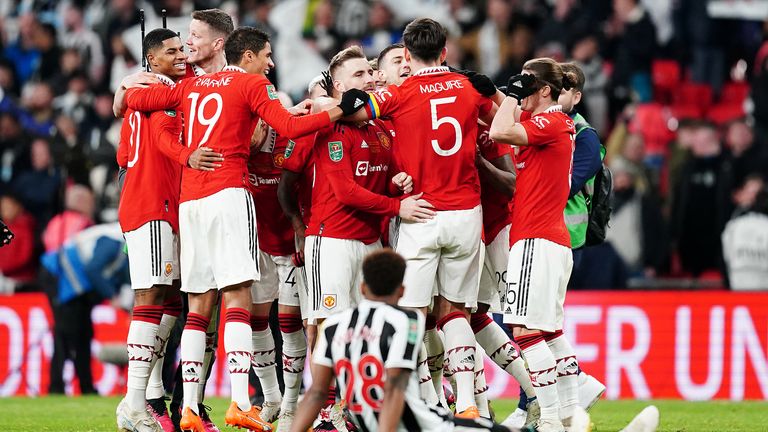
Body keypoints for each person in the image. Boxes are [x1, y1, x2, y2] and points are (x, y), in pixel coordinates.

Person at [123, 26, 368, 432]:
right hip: (228, 194)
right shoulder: (249, 84)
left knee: (199, 305)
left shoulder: (189, 87)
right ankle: (239, 401)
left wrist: (129, 85)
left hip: (190, 203)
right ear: (249, 55)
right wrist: (339, 111)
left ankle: (187, 408)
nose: (270, 63)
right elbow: (287, 131)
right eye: (267, 55)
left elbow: (138, 99)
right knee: (237, 294)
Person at [348, 18, 496, 417]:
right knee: (455, 312)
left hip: (420, 213)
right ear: (445, 52)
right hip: (466, 212)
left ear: (408, 56)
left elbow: (359, 114)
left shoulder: (399, 92)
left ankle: (413, 401)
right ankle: (467, 403)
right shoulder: (468, 89)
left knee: (410, 313)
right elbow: (498, 124)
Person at [289, 248, 592, 432]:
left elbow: (316, 394)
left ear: (364, 287)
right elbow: (394, 388)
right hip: (413, 424)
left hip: (367, 424)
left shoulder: (333, 328)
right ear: (402, 292)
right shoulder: (405, 321)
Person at [114, 28, 221, 432]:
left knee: (168, 299)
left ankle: (151, 397)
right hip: (153, 204)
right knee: (152, 295)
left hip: (157, 205)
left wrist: (122, 92)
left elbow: (123, 155)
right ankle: (135, 401)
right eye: (172, 51)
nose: (181, 56)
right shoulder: (164, 90)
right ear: (151, 59)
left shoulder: (141, 93)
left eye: (183, 49)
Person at [489, 58, 580, 432]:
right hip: (552, 241)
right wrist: (496, 91)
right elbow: (506, 116)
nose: (520, 89)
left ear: (544, 90)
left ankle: (553, 420)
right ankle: (574, 413)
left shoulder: (553, 122)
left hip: (536, 240)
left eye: (528, 83)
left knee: (525, 333)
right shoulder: (550, 123)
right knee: (550, 333)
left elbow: (498, 131)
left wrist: (510, 94)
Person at [42, 222, 128, 396]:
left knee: (82, 334)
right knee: (66, 334)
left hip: (73, 282)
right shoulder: (114, 238)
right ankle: (57, 387)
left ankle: (83, 386)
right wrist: (111, 296)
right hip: (60, 274)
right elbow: (94, 269)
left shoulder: (121, 242)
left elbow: (120, 277)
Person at [722, 186, 768, 290]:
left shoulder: (733, 225)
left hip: (738, 286)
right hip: (764, 289)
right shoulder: (734, 226)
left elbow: (724, 259)